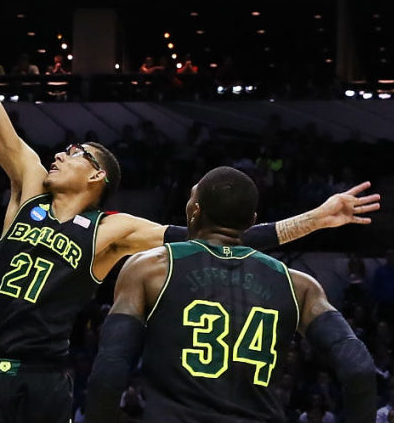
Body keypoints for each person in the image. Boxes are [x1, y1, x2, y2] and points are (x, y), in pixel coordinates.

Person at [0, 0, 381, 423]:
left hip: (46, 376)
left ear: (97, 175)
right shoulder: (29, 186)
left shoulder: (112, 230)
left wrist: (316, 219)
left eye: (74, 152)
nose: (59, 153)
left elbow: (221, 241)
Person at [84, 167, 377, 423]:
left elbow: (110, 371)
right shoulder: (298, 285)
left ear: (194, 211)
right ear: (252, 220)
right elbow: (360, 368)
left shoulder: (151, 268)